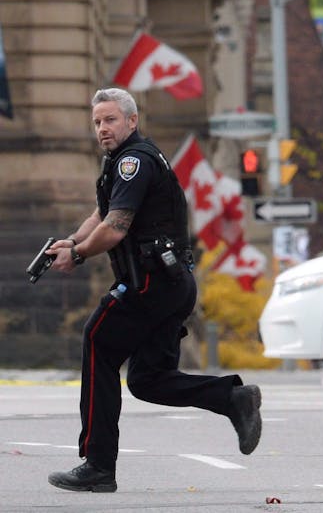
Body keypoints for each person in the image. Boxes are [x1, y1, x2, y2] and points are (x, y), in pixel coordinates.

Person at [45, 88, 262, 493]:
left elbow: (115, 227)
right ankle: (233, 399)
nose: (102, 129)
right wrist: (70, 242)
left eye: (110, 120)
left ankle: (97, 466)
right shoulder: (122, 163)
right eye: (96, 122)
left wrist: (77, 255)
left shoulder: (133, 162)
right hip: (168, 284)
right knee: (149, 379)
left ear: (132, 120)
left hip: (148, 284)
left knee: (98, 341)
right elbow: (101, 214)